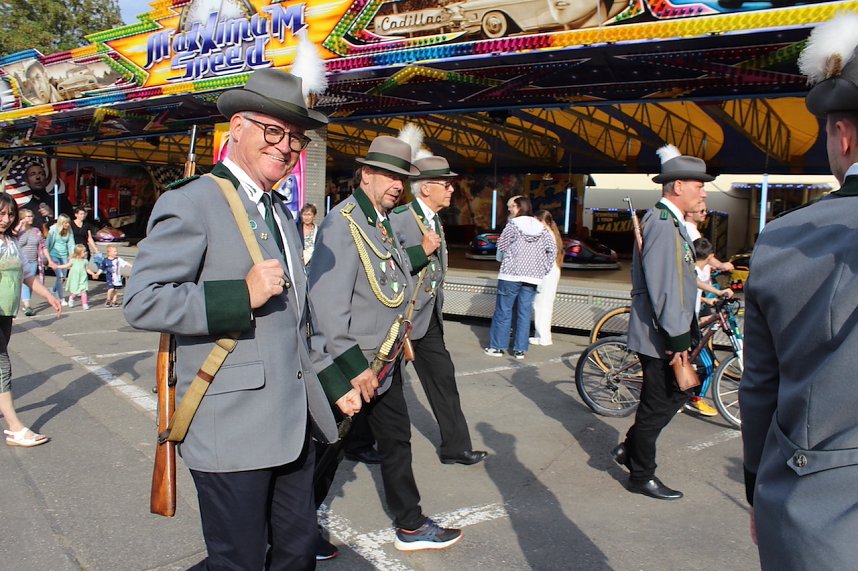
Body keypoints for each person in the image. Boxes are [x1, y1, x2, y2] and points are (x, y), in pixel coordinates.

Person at [123, 68, 361, 571]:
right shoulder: (192, 201)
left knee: (297, 554)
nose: (286, 147)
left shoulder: (282, 211)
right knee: (239, 561)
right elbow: (142, 300)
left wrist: (334, 380)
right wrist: (241, 295)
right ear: (237, 127)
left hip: (293, 423)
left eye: (295, 139)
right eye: (273, 131)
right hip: (230, 427)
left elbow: (298, 320)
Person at [740, 14, 858, 569]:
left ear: (844, 134)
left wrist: (756, 486)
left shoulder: (787, 239)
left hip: (820, 517)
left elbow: (762, 385)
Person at [309, 136, 463, 552]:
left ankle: (410, 523)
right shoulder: (342, 223)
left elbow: (390, 278)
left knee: (396, 440)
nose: (398, 183)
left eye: (403, 177)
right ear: (367, 174)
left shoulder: (381, 218)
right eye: (390, 175)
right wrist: (352, 369)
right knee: (326, 453)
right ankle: (292, 531)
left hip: (384, 361)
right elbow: (325, 305)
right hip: (351, 367)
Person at [609, 144, 711, 500]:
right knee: (659, 401)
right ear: (678, 186)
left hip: (669, 328)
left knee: (672, 396)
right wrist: (678, 341)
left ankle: (629, 449)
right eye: (698, 184)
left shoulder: (672, 223)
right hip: (662, 332)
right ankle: (641, 475)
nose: (704, 190)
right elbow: (666, 288)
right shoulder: (664, 224)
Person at [389, 155, 487, 466]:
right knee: (381, 385)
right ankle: (353, 441)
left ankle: (455, 447)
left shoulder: (433, 219)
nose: (450, 190)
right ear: (426, 188)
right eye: (445, 185)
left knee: (443, 378)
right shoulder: (400, 218)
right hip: (400, 319)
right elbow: (387, 266)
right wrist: (421, 252)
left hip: (428, 318)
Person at [0, 193, 62, 447]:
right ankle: (15, 428)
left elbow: (27, 274)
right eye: (1, 213)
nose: (5, 219)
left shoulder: (11, 243)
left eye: (10, 214)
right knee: (2, 368)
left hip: (5, 313)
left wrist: (48, 294)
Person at [484, 196, 557, 359]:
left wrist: (508, 257)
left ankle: (497, 347)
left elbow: (501, 246)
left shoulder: (513, 225)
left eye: (511, 207)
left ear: (518, 207)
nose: (509, 209)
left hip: (510, 274)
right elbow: (552, 249)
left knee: (504, 310)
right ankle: (519, 349)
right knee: (524, 312)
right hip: (532, 277)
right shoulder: (541, 227)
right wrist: (543, 268)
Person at [685, 237, 733, 417]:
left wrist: (707, 299)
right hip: (685, 322)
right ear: (710, 256)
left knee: (692, 358)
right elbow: (695, 282)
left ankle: (681, 393)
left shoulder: (692, 267)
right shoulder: (692, 270)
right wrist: (719, 292)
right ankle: (695, 399)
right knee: (706, 364)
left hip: (689, 319)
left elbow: (696, 289)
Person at [529, 210, 563, 346]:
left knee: (539, 304)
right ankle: (543, 335)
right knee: (546, 305)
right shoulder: (554, 234)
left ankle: (542, 336)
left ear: (544, 222)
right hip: (553, 271)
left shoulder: (545, 235)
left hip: (546, 273)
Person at [17, 162, 73, 232]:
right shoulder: (24, 209)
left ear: (46, 180)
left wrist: (53, 215)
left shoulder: (61, 201)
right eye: (32, 174)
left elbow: (73, 224)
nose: (38, 177)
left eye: (41, 174)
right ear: (27, 182)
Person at [14, 208, 47, 316]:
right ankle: (27, 305)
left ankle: (25, 303)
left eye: (31, 216)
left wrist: (49, 259)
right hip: (21, 261)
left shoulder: (36, 231)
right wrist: (21, 226)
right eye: (28, 216)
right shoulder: (18, 231)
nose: (31, 218)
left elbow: (42, 245)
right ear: (22, 218)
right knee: (25, 283)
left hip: (33, 261)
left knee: (31, 283)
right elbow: (16, 242)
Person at [683, 203, 733, 273]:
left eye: (706, 211)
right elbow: (703, 254)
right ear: (689, 213)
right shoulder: (690, 230)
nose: (705, 213)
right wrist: (720, 265)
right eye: (702, 211)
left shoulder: (688, 228)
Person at [55, 244, 97, 309]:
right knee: (75, 292)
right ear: (78, 253)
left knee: (83, 291)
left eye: (85, 251)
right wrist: (57, 266)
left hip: (82, 279)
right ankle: (71, 298)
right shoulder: (73, 260)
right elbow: (66, 265)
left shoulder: (85, 261)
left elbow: (87, 269)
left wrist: (92, 274)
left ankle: (85, 304)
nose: (85, 253)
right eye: (84, 252)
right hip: (75, 279)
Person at [46, 213, 74, 305]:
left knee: (63, 277)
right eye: (65, 223)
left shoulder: (69, 230)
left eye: (68, 223)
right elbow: (47, 243)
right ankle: (61, 298)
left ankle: (53, 290)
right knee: (60, 277)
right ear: (61, 223)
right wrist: (48, 257)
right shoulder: (53, 230)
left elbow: (71, 243)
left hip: (64, 255)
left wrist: (71, 254)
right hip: (54, 255)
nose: (67, 225)